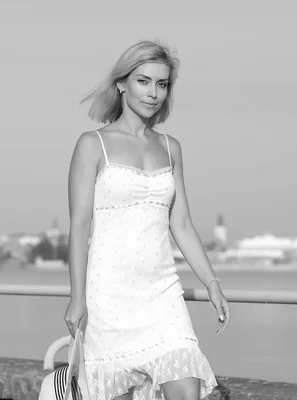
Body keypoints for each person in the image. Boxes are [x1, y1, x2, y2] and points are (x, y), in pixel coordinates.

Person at [64, 39, 231, 400]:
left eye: (162, 84)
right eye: (144, 81)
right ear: (122, 83)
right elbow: (79, 227)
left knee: (186, 385)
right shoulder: (92, 144)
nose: (153, 92)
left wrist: (211, 282)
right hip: (108, 295)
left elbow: (181, 222)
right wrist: (77, 298)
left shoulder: (171, 148)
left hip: (162, 293)